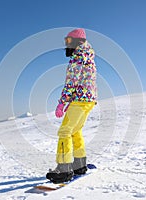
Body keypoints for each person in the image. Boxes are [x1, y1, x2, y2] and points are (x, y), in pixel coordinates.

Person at [46, 28, 97, 183]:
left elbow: (71, 83)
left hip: (80, 100)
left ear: (77, 42)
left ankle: (63, 169)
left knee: (64, 131)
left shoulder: (78, 57)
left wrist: (62, 102)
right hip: (88, 100)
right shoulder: (87, 56)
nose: (66, 45)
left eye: (68, 41)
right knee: (75, 131)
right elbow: (82, 82)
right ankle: (79, 165)